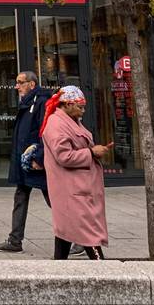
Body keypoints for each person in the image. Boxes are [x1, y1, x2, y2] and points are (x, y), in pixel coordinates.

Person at [40, 85, 110, 260]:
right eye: (80, 106)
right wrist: (92, 153)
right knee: (87, 233)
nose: (83, 110)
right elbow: (64, 156)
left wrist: (94, 150)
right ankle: (104, 271)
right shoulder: (57, 124)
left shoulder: (68, 120)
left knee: (66, 232)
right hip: (72, 188)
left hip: (76, 186)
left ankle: (59, 270)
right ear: (67, 104)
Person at [0, 71, 54, 253]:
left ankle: (79, 237)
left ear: (32, 84)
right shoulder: (27, 103)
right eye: (17, 82)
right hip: (25, 160)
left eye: (20, 83)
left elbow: (46, 131)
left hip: (35, 161)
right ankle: (15, 240)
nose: (16, 86)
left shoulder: (41, 103)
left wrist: (39, 157)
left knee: (54, 200)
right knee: (20, 196)